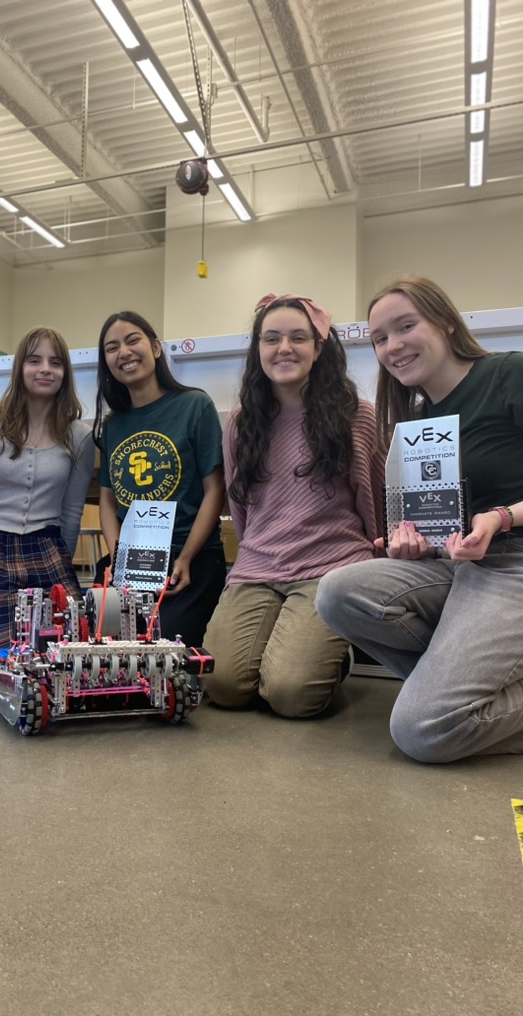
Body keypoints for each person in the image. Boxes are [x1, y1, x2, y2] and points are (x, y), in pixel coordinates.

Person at [315, 275, 523, 762]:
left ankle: (446, 701)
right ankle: (459, 683)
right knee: (338, 593)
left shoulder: (509, 374)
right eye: (380, 338)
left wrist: (502, 518)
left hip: (513, 563)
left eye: (406, 326)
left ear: (447, 322)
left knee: (424, 731)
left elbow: (492, 516)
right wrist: (414, 543)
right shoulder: (413, 422)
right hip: (459, 567)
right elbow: (436, 526)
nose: (393, 346)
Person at [203, 293, 384, 716]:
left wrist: (373, 573)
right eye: (272, 339)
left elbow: (373, 502)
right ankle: (291, 650)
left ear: (319, 348)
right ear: (258, 349)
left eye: (298, 338)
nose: (284, 348)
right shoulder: (241, 421)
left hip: (330, 567)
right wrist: (254, 558)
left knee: (291, 696)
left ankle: (335, 653)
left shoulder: (357, 414)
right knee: (222, 685)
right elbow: (241, 507)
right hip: (258, 568)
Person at [0, 327, 95, 677]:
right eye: (35, 361)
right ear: (20, 368)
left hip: (47, 547)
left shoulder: (80, 435)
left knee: (68, 653)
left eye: (55, 362)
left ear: (66, 373)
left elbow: (73, 509)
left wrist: (64, 561)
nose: (45, 369)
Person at [93, 311, 226, 647]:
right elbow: (107, 500)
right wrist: (117, 556)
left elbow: (215, 490)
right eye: (112, 347)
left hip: (188, 557)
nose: (123, 352)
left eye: (132, 340)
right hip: (131, 560)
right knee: (105, 648)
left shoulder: (195, 405)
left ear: (154, 348)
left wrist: (185, 557)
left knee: (165, 651)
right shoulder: (112, 426)